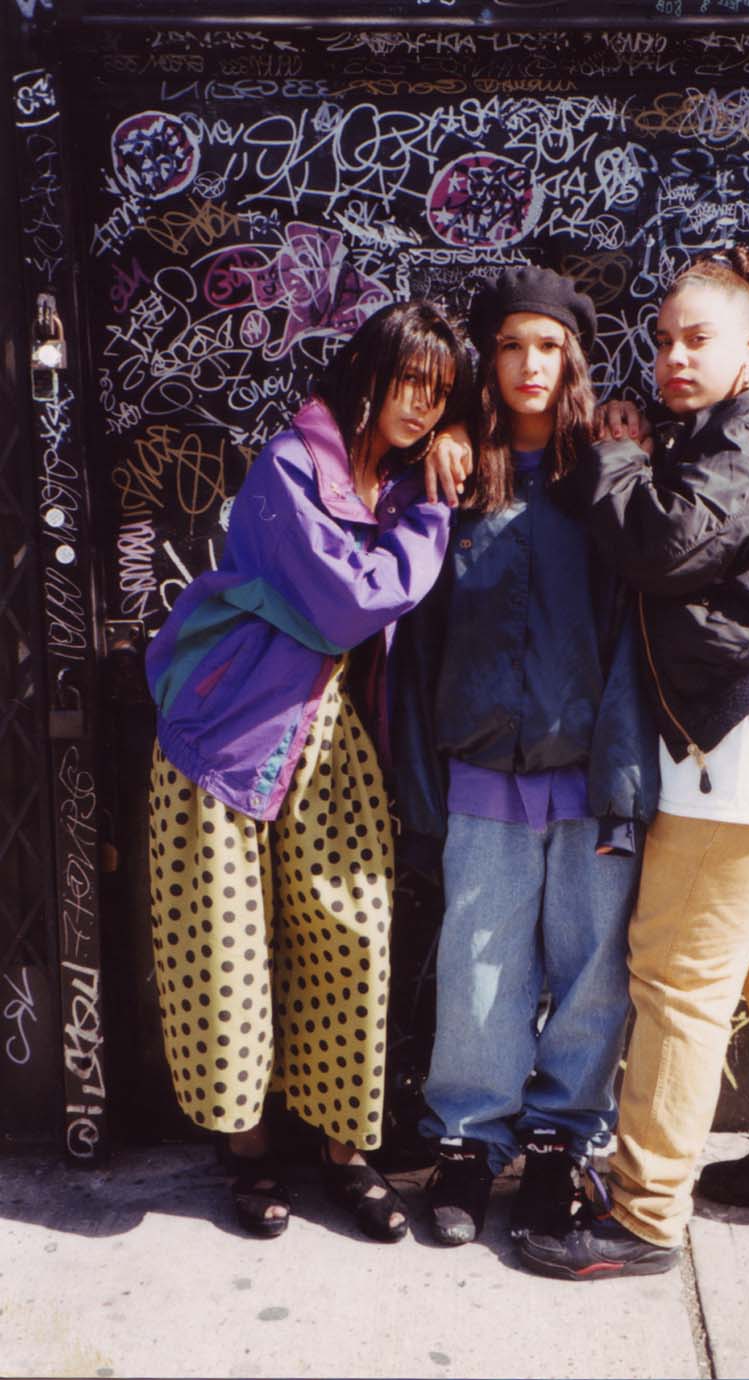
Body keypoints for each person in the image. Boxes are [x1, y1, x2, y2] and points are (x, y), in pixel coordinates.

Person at [516, 246, 749, 1281]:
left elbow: (663, 548)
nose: (674, 356)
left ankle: (642, 1216)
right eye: (666, 339)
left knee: (678, 975)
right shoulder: (740, 429)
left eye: (699, 338)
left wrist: (621, 459)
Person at [145, 300, 471, 1241]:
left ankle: (342, 1152)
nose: (421, 406)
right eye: (411, 382)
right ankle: (247, 1155)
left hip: (328, 740)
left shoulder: (404, 481)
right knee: (225, 950)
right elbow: (346, 604)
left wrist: (446, 449)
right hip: (229, 736)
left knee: (351, 936)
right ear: (366, 374)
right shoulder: (290, 466)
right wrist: (433, 515)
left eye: (439, 393)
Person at [396, 266, 659, 1247]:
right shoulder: (457, 473)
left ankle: (559, 1142)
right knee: (479, 960)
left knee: (591, 964)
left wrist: (629, 783)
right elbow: (417, 642)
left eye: (547, 347)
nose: (530, 364)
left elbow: (638, 635)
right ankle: (468, 1141)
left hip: (592, 767)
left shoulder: (609, 474)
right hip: (483, 766)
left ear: (572, 358)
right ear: (488, 359)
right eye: (511, 346)